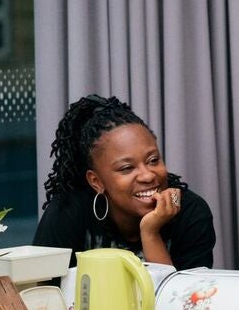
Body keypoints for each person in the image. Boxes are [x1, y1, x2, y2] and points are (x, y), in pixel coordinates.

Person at [33, 94, 215, 269]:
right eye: (127, 168)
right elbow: (41, 293)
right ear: (96, 181)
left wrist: (150, 233)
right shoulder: (67, 213)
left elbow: (180, 299)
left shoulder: (190, 211)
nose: (147, 176)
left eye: (153, 160)